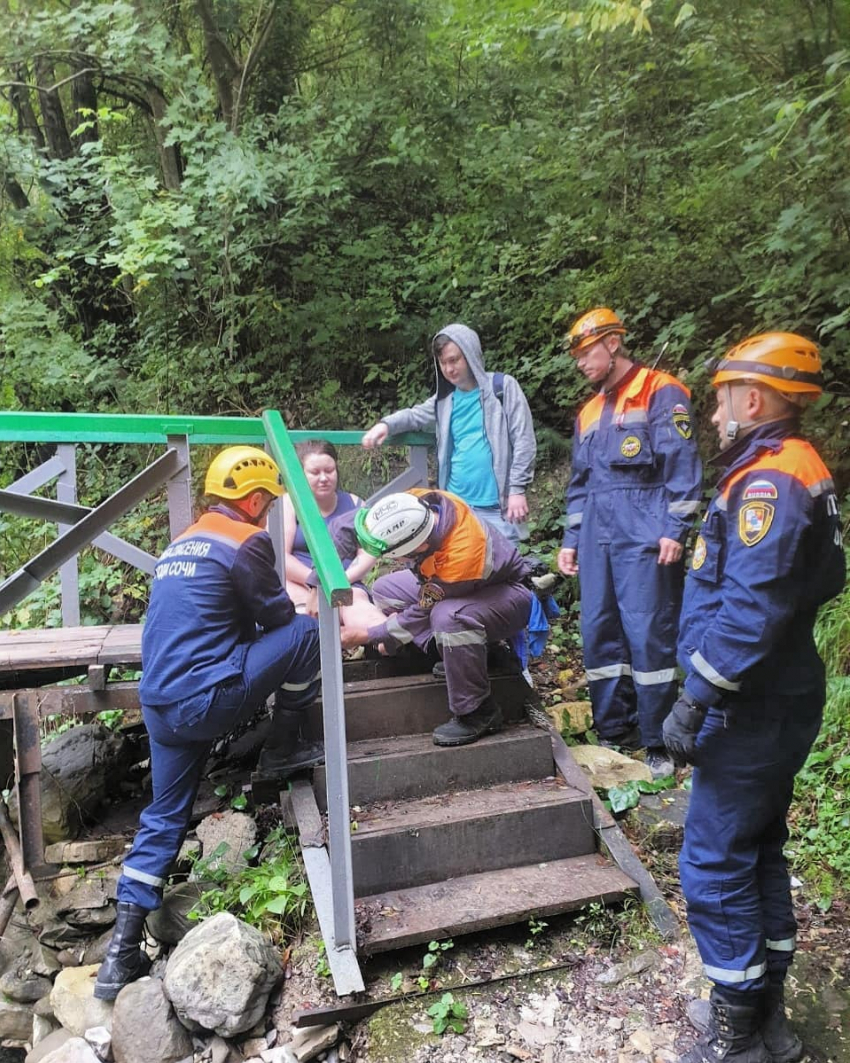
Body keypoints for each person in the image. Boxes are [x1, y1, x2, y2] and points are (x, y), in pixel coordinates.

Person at [663, 332, 845, 1063]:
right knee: (757, 848)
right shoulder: (790, 469)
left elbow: (751, 607)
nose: (712, 413)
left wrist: (695, 697)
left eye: (721, 397)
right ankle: (767, 1019)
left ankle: (736, 1038)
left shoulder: (772, 482)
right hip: (778, 695)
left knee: (710, 860)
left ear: (756, 397)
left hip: (752, 705)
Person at [94, 446, 321, 1001]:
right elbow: (280, 619)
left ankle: (118, 959)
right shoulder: (247, 541)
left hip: (160, 704)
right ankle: (284, 748)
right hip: (205, 698)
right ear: (254, 498)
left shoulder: (179, 544)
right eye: (267, 501)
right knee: (306, 637)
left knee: (163, 816)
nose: (268, 510)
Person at [556, 308, 702, 778]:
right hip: (599, 532)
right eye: (577, 356)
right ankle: (613, 730)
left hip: (645, 530)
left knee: (648, 632)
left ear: (613, 343)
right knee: (599, 629)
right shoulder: (589, 411)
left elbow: (681, 464)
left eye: (586, 353)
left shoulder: (661, 391)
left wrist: (674, 529)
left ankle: (659, 739)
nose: (581, 363)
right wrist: (571, 538)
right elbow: (580, 484)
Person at [335, 489, 533, 745]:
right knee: (386, 589)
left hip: (508, 595)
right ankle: (451, 657)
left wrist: (370, 635)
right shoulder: (417, 503)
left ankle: (477, 711)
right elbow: (346, 524)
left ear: (419, 547)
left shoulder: (463, 557)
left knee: (448, 618)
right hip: (469, 586)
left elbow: (420, 613)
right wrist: (317, 580)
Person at [361, 323, 536, 544]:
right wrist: (385, 425)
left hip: (497, 508)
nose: (449, 369)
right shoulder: (445, 400)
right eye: (443, 363)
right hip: (456, 506)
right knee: (460, 574)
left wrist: (517, 490)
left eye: (454, 360)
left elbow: (524, 440)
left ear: (471, 355)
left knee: (503, 572)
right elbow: (415, 415)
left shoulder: (502, 388)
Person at [282, 439, 384, 628]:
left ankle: (386, 639)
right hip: (298, 583)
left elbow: (369, 552)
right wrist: (318, 585)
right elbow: (280, 556)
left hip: (347, 582)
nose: (323, 478)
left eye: (329, 471)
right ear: (300, 475)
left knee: (362, 611)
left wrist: (340, 581)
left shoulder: (355, 503)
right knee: (304, 615)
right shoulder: (288, 504)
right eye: (314, 472)